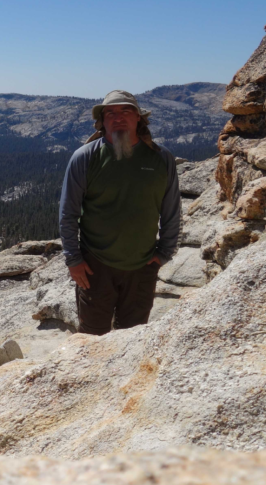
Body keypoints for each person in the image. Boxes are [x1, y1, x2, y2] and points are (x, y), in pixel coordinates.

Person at [59, 90, 181, 336]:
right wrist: (74, 260)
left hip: (143, 265)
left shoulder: (161, 158)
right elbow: (68, 213)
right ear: (102, 121)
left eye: (126, 111)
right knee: (92, 337)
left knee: (133, 337)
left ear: (139, 118)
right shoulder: (85, 157)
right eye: (110, 113)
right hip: (95, 267)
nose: (118, 117)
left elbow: (171, 210)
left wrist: (163, 254)